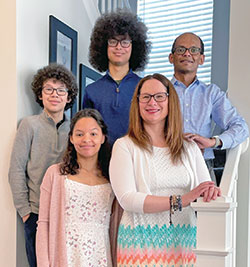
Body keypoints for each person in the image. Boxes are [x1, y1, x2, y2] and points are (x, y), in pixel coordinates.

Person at [109, 73, 221, 266]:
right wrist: (181, 200)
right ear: (137, 103)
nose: (152, 102)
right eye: (146, 97)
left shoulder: (189, 147)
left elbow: (203, 189)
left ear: (171, 101)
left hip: (183, 243)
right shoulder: (125, 146)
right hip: (140, 244)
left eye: (159, 96)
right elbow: (127, 199)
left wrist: (211, 191)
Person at [8, 63, 78, 267]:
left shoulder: (75, 128)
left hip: (67, 211)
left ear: (69, 97)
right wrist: (25, 212)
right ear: (40, 94)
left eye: (61, 90)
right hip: (36, 214)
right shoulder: (29, 125)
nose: (54, 94)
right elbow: (16, 169)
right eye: (48, 89)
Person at [36, 109, 114, 267]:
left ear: (103, 137)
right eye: (79, 134)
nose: (86, 139)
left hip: (101, 255)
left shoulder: (113, 177)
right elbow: (44, 223)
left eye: (93, 134)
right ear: (71, 138)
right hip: (66, 255)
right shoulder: (55, 174)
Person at [169, 32, 249, 182]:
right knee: (166, 206)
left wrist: (213, 142)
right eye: (181, 49)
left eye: (194, 50)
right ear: (171, 57)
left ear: (202, 59)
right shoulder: (160, 91)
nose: (187, 54)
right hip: (166, 163)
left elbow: (241, 127)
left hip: (203, 165)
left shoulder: (212, 93)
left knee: (205, 206)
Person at [82, 9, 151, 145]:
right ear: (103, 46)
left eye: (125, 42)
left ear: (134, 47)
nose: (119, 47)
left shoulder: (144, 87)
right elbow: (86, 129)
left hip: (135, 157)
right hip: (101, 160)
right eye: (113, 41)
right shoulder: (91, 91)